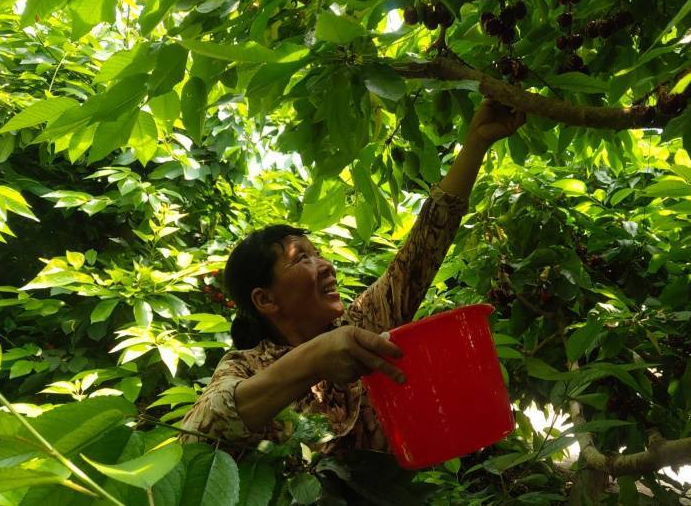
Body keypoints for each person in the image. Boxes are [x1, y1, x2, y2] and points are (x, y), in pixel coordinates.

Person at [178, 99, 525, 455]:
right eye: (303, 259)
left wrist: (476, 143)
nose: (326, 265)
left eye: (319, 253)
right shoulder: (246, 366)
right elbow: (195, 436)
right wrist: (311, 360)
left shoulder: (361, 323)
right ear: (265, 299)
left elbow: (422, 250)